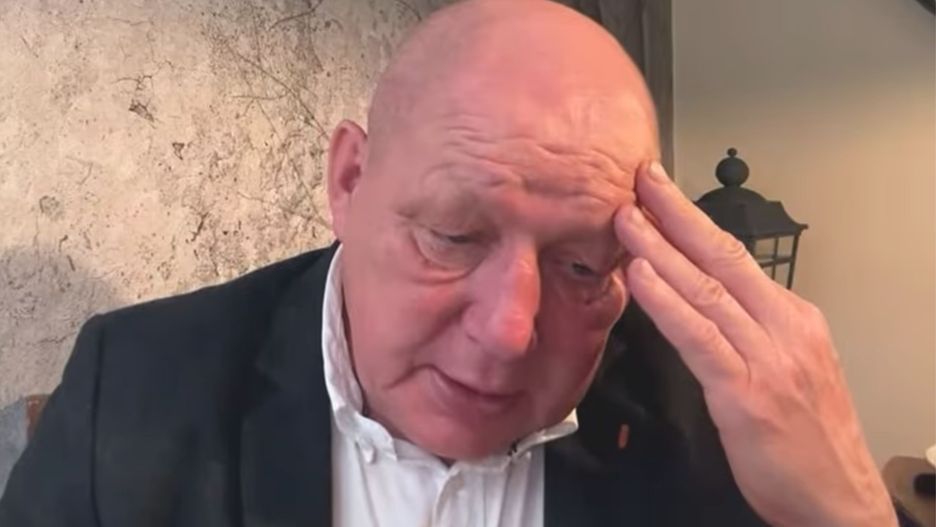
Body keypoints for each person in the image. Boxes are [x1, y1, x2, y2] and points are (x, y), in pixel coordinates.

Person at [0, 0, 896, 525]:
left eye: (582, 267)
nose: (508, 331)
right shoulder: (136, 387)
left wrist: (850, 511)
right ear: (350, 179)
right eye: (454, 236)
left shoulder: (717, 421)